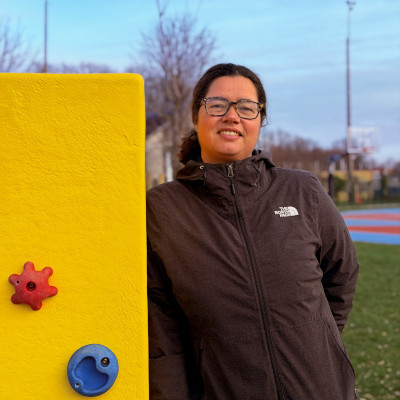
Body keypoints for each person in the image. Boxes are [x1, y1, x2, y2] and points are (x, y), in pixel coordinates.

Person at [146, 63, 360, 400]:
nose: (232, 116)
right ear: (196, 116)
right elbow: (161, 322)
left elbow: (341, 274)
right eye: (217, 105)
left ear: (260, 120)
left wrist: (317, 341)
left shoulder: (303, 190)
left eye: (246, 107)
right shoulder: (161, 208)